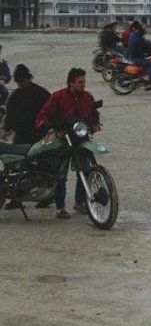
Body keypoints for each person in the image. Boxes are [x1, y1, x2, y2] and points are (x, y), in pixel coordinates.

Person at [34, 68, 100, 219]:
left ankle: (80, 202)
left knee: (85, 170)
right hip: (63, 139)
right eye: (80, 82)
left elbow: (94, 113)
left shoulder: (88, 97)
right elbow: (43, 117)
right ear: (71, 83)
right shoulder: (58, 97)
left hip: (81, 139)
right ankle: (60, 208)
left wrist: (95, 124)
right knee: (61, 174)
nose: (83, 84)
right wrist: (53, 129)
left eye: (84, 81)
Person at [2, 64, 52, 210]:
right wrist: (7, 130)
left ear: (28, 79)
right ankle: (17, 198)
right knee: (17, 168)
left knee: (43, 167)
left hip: (39, 136)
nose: (20, 85)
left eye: (22, 81)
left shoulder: (41, 94)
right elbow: (10, 116)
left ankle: (47, 196)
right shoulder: (15, 96)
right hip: (21, 137)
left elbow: (50, 112)